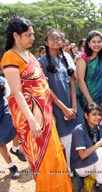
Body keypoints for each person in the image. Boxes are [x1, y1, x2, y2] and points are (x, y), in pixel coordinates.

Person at [1, 17, 73, 192]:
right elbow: (17, 92)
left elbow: (43, 86)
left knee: (55, 157)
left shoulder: (30, 56)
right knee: (44, 162)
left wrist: (53, 111)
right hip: (31, 119)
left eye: (33, 34)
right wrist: (33, 122)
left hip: (46, 115)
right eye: (28, 35)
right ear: (16, 36)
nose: (33, 38)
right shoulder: (10, 57)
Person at [38, 29, 84, 171]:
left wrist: (74, 107)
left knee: (80, 135)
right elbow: (46, 89)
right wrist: (64, 108)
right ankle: (70, 172)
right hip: (57, 108)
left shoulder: (65, 59)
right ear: (46, 42)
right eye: (52, 38)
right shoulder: (41, 62)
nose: (56, 40)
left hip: (73, 105)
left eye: (59, 38)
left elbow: (71, 83)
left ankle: (82, 167)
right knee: (67, 140)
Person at [70, 102, 102, 192]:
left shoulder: (96, 128)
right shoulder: (79, 130)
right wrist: (101, 142)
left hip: (92, 162)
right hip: (81, 166)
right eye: (94, 114)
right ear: (85, 115)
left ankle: (94, 176)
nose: (98, 117)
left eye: (99, 114)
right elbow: (83, 155)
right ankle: (100, 184)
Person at [76, 30, 102, 116]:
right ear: (88, 43)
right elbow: (80, 80)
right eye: (94, 42)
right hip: (87, 98)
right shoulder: (83, 58)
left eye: (99, 42)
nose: (97, 44)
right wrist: (90, 101)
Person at [0, 76, 26, 179]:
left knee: (16, 129)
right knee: (1, 144)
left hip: (4, 111)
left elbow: (8, 95)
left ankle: (15, 149)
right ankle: (11, 167)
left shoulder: (1, 80)